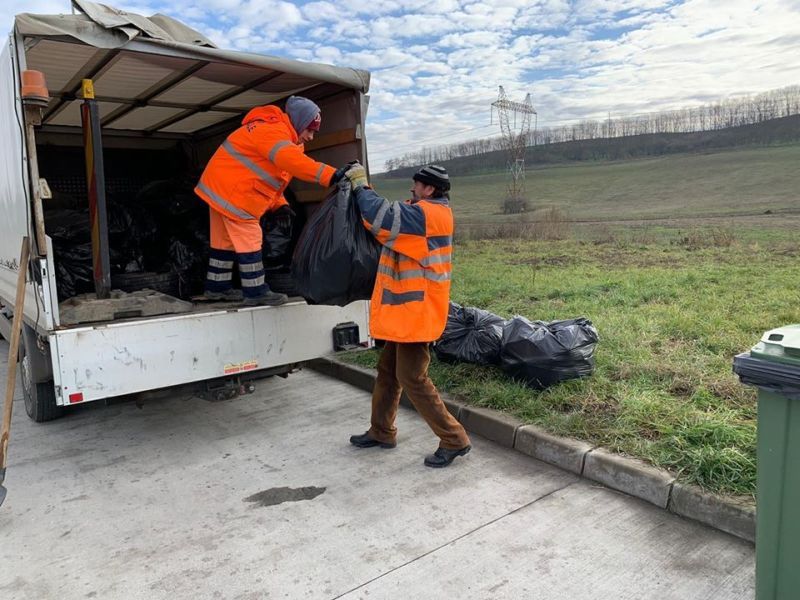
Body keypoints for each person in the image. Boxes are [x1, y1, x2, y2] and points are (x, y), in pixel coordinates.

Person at [344, 163, 472, 468]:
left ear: (429, 189)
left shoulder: (427, 215)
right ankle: (381, 431)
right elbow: (388, 213)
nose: (411, 189)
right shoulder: (425, 213)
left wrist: (361, 185)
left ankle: (454, 439)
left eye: (416, 185)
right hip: (409, 313)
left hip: (418, 314)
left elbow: (382, 217)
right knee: (388, 371)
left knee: (411, 377)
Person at [195, 96, 348, 306]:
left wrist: (280, 205)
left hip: (222, 189)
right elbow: (289, 162)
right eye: (309, 130)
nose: (311, 137)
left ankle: (216, 288)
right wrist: (332, 175)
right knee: (250, 238)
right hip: (234, 192)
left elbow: (274, 179)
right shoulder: (273, 131)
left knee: (223, 242)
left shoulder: (280, 136)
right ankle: (255, 292)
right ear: (298, 123)